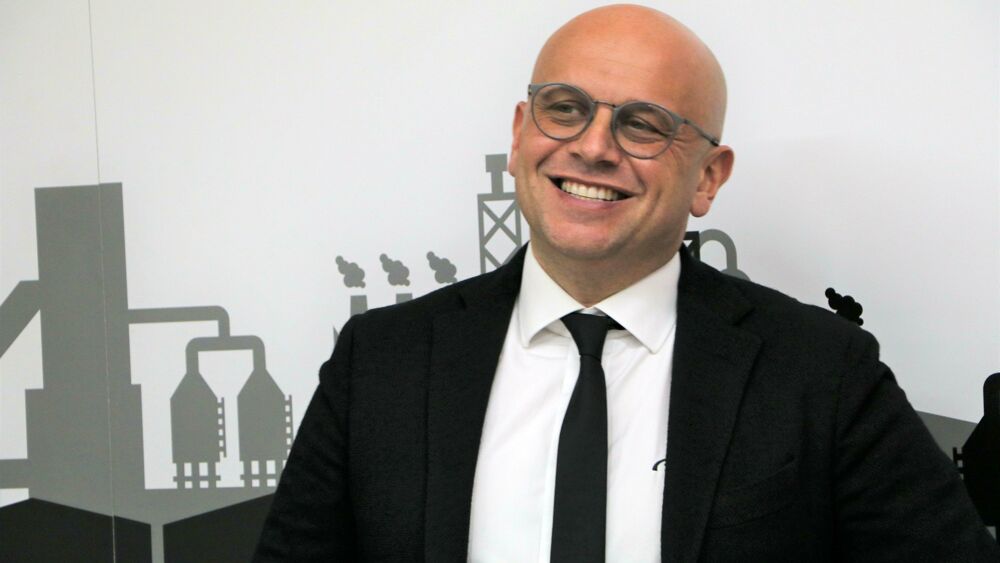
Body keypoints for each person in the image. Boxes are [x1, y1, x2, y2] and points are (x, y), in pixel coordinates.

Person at [254, 5, 999, 562]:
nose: (593, 147)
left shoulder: (822, 371)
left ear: (708, 177)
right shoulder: (380, 360)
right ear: (519, 135)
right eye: (564, 109)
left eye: (643, 124)